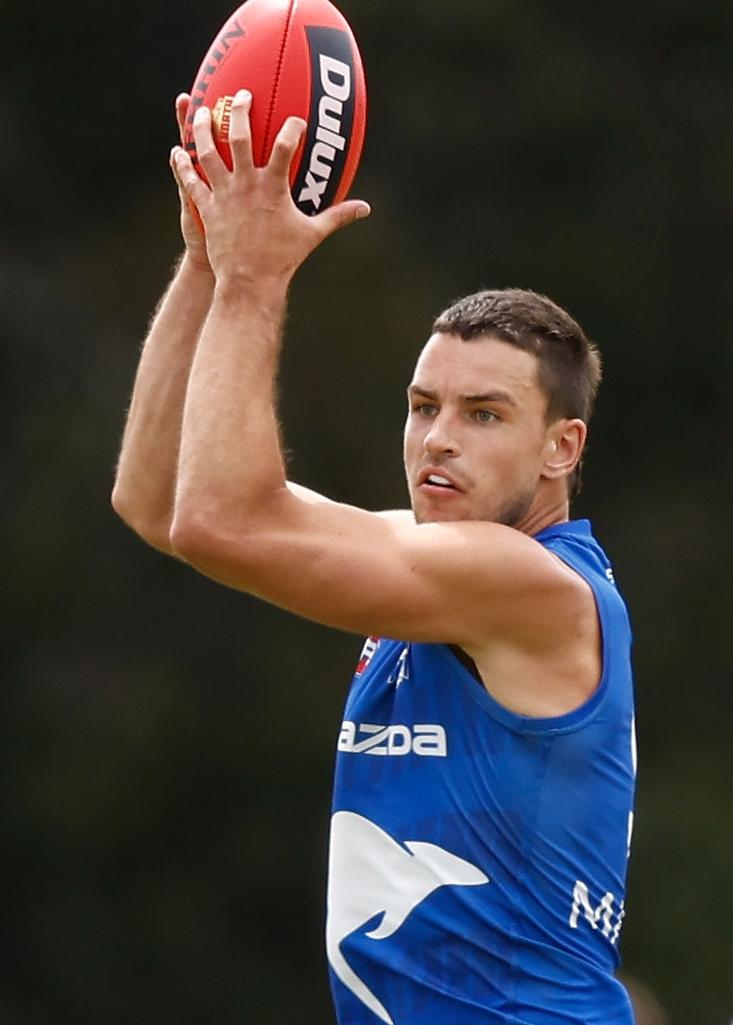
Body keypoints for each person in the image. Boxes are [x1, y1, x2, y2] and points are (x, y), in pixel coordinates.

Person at [112, 89, 638, 1025]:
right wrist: (204, 256)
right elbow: (158, 501)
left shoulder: (531, 583)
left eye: (484, 414)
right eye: (422, 404)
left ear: (563, 448)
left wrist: (253, 280)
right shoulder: (438, 561)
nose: (438, 437)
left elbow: (221, 520)